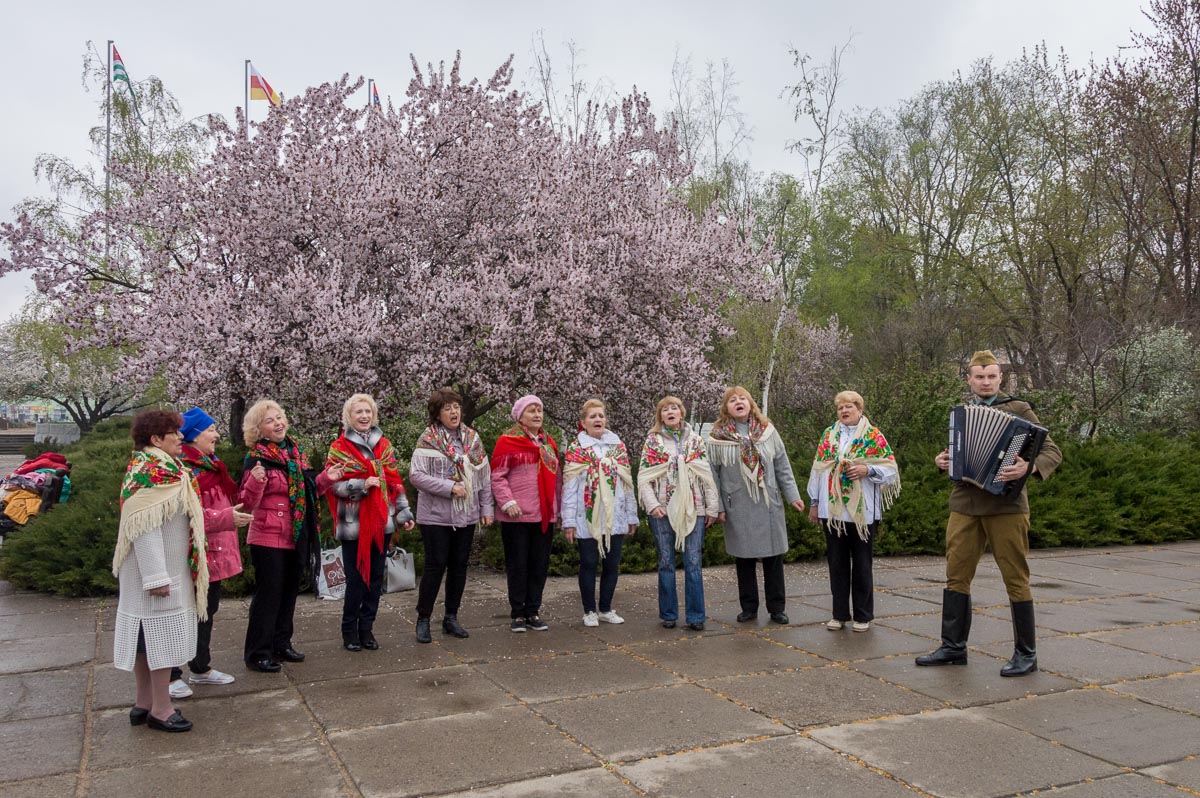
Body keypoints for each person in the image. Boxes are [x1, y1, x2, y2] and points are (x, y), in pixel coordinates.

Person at [916, 350, 1062, 676]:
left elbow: (1052, 450)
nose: (986, 382)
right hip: (965, 505)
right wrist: (941, 462)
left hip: (1006, 507)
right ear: (969, 379)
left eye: (991, 376)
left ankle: (1026, 654)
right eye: (980, 377)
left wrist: (1029, 467)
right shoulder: (962, 413)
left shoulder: (1018, 409)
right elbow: (957, 453)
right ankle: (953, 647)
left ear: (1000, 378)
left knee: (1015, 577)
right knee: (956, 575)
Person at [112, 410, 209, 733]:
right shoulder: (152, 473)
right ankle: (162, 709)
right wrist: (156, 577)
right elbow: (145, 528)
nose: (181, 437)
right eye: (174, 432)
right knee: (160, 643)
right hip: (156, 575)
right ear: (156, 439)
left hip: (155, 573)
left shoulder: (160, 468)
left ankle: (143, 703)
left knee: (145, 642)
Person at [240, 399, 340, 673]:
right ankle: (258, 652)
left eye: (279, 417)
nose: (278, 423)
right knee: (269, 595)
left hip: (295, 535)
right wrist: (255, 481)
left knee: (288, 593)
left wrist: (326, 478)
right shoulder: (256, 459)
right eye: (270, 420)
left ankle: (280, 644)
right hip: (267, 537)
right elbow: (246, 502)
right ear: (258, 429)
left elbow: (309, 493)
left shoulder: (296, 454)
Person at [167, 407, 252, 699]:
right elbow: (186, 515)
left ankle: (200, 667)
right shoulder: (184, 470)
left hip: (216, 552)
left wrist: (255, 483)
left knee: (206, 611)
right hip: (194, 554)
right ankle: (170, 674)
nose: (216, 434)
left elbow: (236, 499)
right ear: (193, 435)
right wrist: (226, 517)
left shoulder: (214, 466)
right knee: (183, 614)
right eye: (210, 429)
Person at [706, 386, 805, 625]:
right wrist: (718, 507)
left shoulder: (768, 432)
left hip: (768, 502)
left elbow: (782, 465)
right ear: (726, 408)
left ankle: (777, 608)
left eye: (742, 398)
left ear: (751, 404)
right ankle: (749, 608)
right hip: (737, 505)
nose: (738, 402)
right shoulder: (717, 437)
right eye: (732, 400)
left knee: (773, 558)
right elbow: (712, 475)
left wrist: (792, 495)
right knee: (744, 559)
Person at [325, 394, 415, 652]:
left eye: (368, 412)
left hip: (381, 521)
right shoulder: (339, 447)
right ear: (348, 416)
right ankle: (349, 630)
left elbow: (394, 481)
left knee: (375, 578)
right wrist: (361, 484)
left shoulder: (384, 445)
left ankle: (367, 628)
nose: (364, 416)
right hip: (353, 523)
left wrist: (404, 513)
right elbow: (332, 485)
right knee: (355, 579)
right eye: (358, 412)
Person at [806, 391, 900, 633]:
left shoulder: (873, 436)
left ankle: (863, 615)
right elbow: (818, 469)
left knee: (862, 564)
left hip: (863, 513)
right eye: (840, 408)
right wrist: (814, 502)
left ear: (860, 409)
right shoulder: (829, 435)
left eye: (849, 406)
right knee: (836, 564)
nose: (844, 411)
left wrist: (867, 470)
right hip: (832, 511)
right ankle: (839, 614)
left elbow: (890, 468)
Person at [409, 388, 494, 643]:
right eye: (447, 408)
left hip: (466, 514)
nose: (454, 412)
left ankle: (451, 617)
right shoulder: (428, 439)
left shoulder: (472, 438)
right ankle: (423, 618)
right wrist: (449, 488)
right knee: (435, 566)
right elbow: (416, 476)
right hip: (435, 516)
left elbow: (483, 476)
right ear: (437, 414)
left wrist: (487, 508)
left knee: (459, 567)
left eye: (456, 407)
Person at [637, 396, 718, 631]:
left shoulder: (695, 441)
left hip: (694, 508)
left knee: (693, 561)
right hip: (662, 510)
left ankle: (696, 616)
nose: (670, 412)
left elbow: (706, 475)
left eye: (674, 408)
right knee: (665, 561)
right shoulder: (653, 442)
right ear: (660, 416)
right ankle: (669, 614)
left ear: (681, 413)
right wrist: (653, 505)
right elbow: (644, 476)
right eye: (665, 409)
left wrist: (712, 508)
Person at [561, 399, 638, 627]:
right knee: (588, 563)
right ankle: (589, 611)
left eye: (601, 416)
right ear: (583, 422)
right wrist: (568, 521)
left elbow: (627, 483)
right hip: (587, 517)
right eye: (592, 416)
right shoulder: (577, 449)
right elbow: (570, 488)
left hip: (615, 517)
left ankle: (605, 608)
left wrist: (632, 515)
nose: (598, 419)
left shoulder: (618, 447)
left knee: (611, 565)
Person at [491, 394, 560, 633]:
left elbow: (556, 479)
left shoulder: (548, 443)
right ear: (520, 416)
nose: (537, 415)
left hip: (544, 515)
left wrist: (557, 509)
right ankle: (518, 613)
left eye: (539, 410)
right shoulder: (508, 441)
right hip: (517, 516)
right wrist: (507, 502)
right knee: (518, 565)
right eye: (531, 410)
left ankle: (533, 611)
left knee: (539, 565)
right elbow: (497, 476)